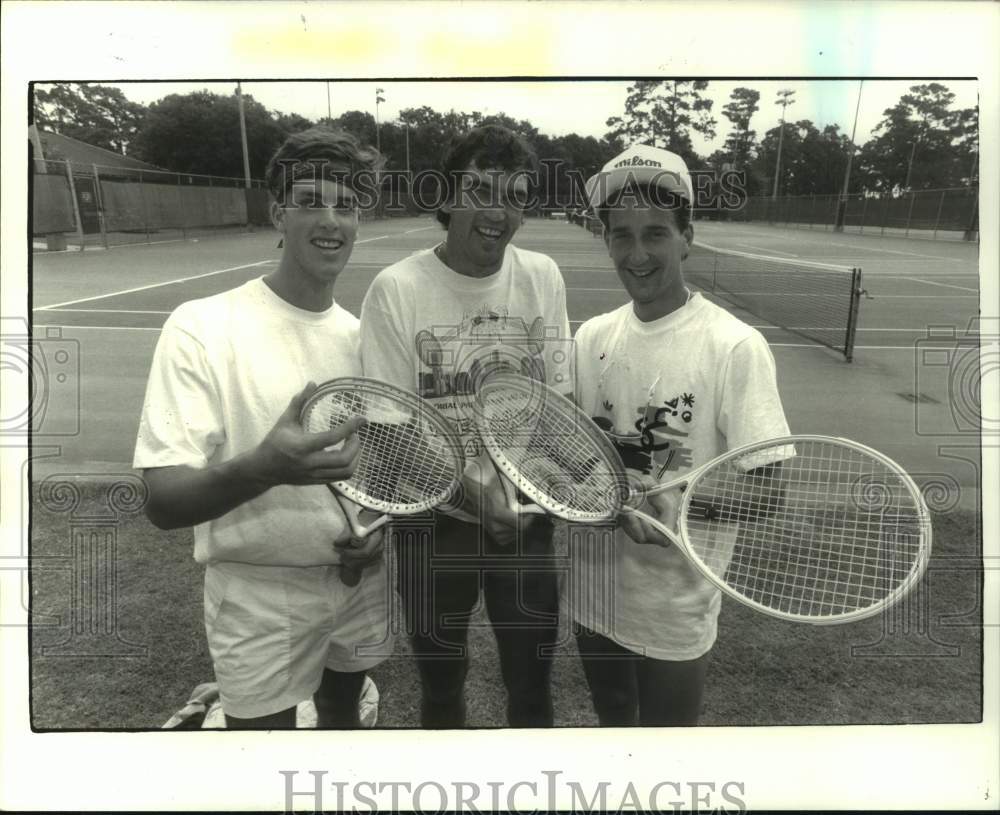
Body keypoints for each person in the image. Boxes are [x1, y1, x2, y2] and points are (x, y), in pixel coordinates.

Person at [134, 127, 391, 729]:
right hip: (256, 594)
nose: (330, 221)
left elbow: (379, 471)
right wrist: (265, 468)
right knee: (261, 749)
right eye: (310, 201)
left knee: (343, 720)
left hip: (358, 582)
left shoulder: (364, 339)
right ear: (279, 212)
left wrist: (378, 532)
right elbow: (162, 501)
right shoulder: (202, 325)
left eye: (346, 205)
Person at [566, 144, 790, 726]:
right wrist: (574, 488)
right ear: (606, 240)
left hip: (675, 605)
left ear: (687, 237)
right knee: (614, 723)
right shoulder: (591, 337)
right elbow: (581, 456)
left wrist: (682, 507)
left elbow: (769, 491)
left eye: (656, 234)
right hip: (593, 588)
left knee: (668, 745)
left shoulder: (734, 346)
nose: (637, 254)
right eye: (621, 235)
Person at [359, 124, 572, 727]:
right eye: (480, 190)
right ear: (448, 195)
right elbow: (389, 434)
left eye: (515, 196)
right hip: (432, 522)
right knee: (441, 686)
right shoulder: (395, 289)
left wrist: (542, 483)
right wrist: (476, 498)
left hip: (522, 516)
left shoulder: (543, 277)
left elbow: (555, 404)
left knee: (531, 687)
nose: (497, 213)